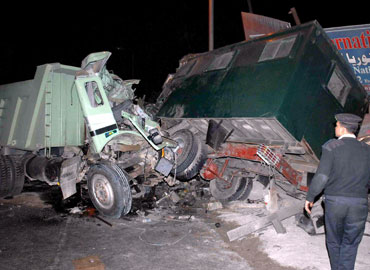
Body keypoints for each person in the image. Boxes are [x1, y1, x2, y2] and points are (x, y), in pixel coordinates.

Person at [305, 113, 370, 270]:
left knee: (334, 241)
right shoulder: (366, 149)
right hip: (359, 204)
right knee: (351, 243)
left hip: (336, 203)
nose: (335, 128)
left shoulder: (332, 146)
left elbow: (321, 176)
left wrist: (311, 196)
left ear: (341, 127)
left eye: (336, 125)